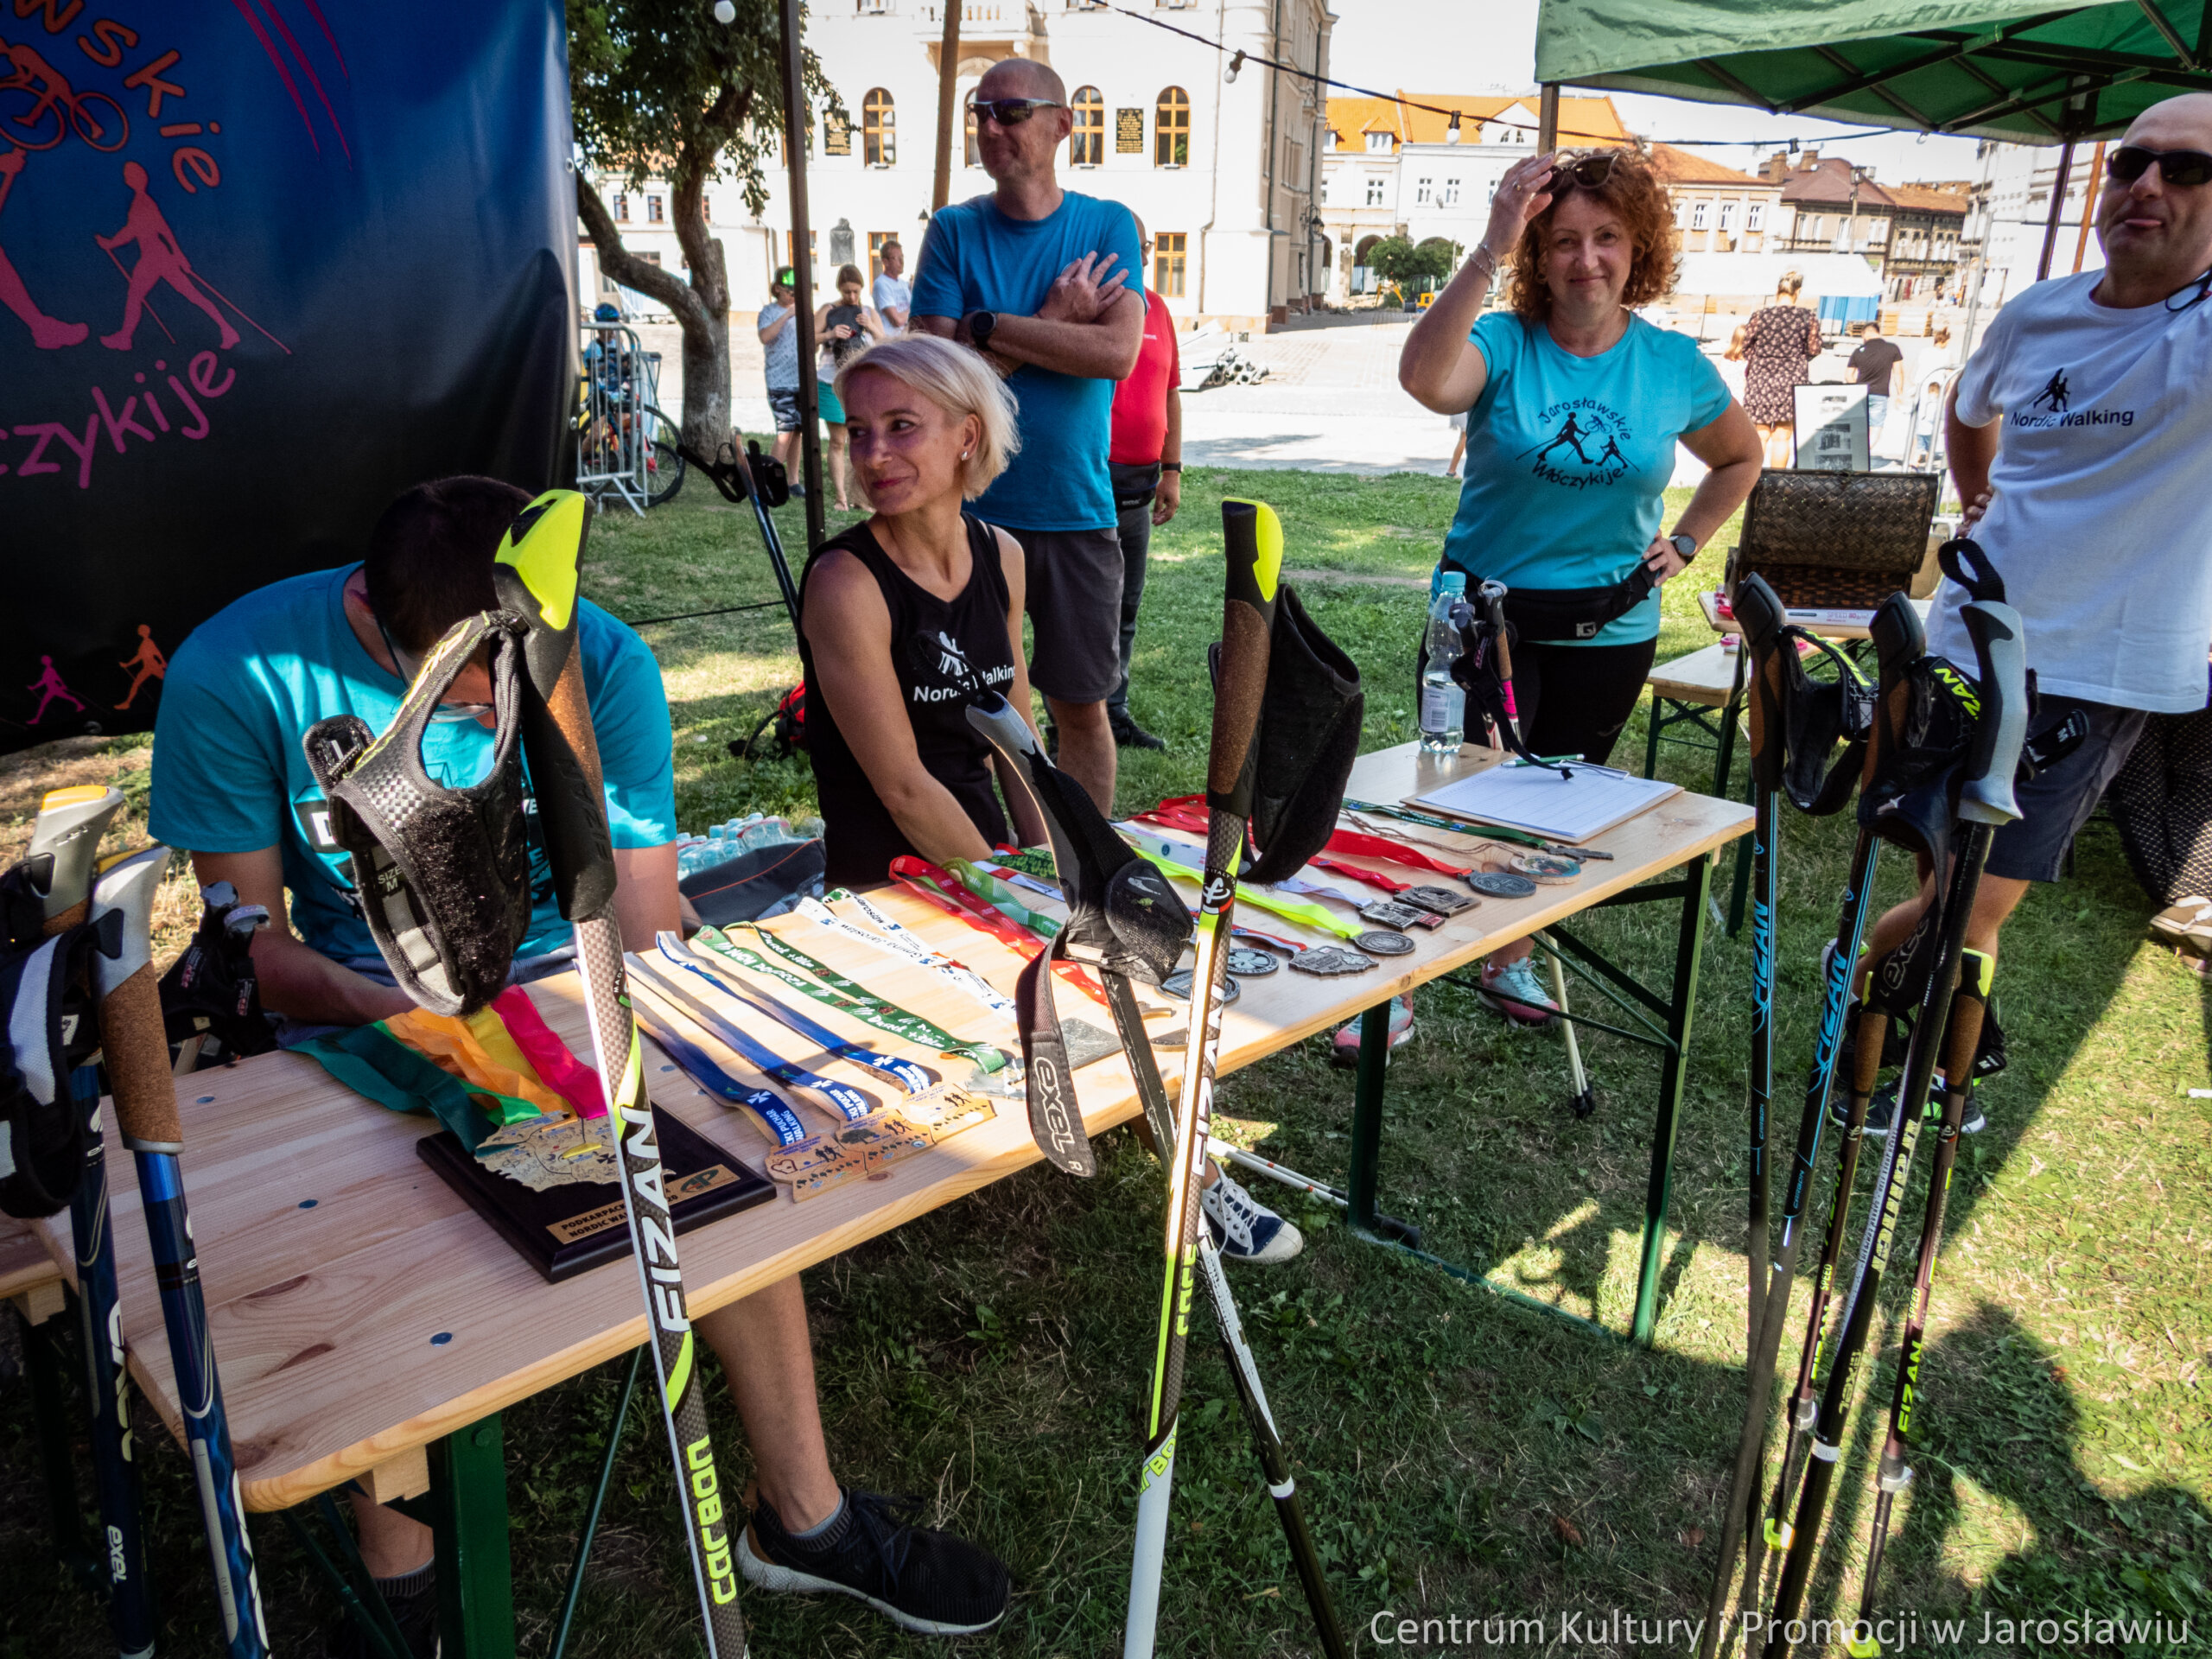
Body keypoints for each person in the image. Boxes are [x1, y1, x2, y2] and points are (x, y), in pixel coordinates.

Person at [148, 476, 1010, 1652]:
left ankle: (802, 1522)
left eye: (510, 678)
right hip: (355, 1006)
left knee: (717, 1163)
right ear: (377, 625)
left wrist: (701, 1039)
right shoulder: (238, 670)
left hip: (574, 974)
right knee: (385, 1232)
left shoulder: (595, 659)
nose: (489, 707)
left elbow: (649, 911)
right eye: (461, 690)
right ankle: (407, 1591)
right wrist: (424, 1017)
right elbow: (253, 951)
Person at [804, 334, 1301, 1264]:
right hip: (889, 872)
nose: (873, 456)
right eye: (860, 433)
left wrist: (1059, 860)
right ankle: (1194, 1174)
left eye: (901, 428)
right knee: (1091, 967)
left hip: (982, 846)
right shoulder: (844, 583)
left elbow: (1018, 740)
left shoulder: (1002, 553)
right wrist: (1022, 893)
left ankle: (1191, 1161)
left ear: (966, 435)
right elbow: (904, 784)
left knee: (1135, 944)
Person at [1848, 92, 2212, 1136]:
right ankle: (1932, 1025)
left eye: (2185, 170)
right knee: (1945, 871)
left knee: (1970, 899)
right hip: (1963, 640)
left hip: (2094, 669)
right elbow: (1972, 414)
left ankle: (1866, 1001)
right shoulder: (2038, 312)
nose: (2147, 185)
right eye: (2132, 164)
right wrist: (1981, 498)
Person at [1398, 146, 1763, 1025]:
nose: (1585, 259)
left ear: (1638, 249)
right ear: (1537, 253)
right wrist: (1490, 240)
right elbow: (1425, 381)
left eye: (1606, 237)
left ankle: (1507, 959)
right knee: (1453, 799)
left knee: (1556, 802)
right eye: (1562, 240)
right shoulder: (1502, 341)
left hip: (1608, 625)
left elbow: (1741, 456)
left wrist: (1686, 540)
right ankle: (1396, 974)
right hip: (1485, 621)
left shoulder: (1673, 365)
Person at [910, 56, 1144, 817]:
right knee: (987, 707)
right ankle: (1026, 868)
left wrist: (991, 328)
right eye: (981, 111)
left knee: (1082, 707)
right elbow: (932, 383)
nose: (991, 127)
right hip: (970, 515)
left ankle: (1091, 869)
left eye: (1011, 112)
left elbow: (1115, 354)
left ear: (1061, 125)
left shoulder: (1105, 225)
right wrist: (1052, 320)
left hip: (1075, 510)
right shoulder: (952, 231)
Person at [1103, 215, 1180, 753]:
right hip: (1089, 484)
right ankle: (1075, 720)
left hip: (1141, 485)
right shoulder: (1093, 309)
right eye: (1133, 246)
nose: (1143, 255)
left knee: (1126, 605)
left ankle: (1115, 711)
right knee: (1089, 607)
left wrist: (1171, 469)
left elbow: (1171, 392)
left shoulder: (1159, 309)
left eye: (1146, 246)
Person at [815, 264, 885, 511]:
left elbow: (885, 343)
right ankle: (841, 497)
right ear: (839, 289)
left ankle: (861, 497)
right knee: (837, 440)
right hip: (831, 381)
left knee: (863, 441)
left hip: (861, 384)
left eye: (856, 291)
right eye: (847, 292)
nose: (852, 297)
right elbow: (807, 338)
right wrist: (830, 333)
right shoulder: (829, 310)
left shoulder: (867, 311)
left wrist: (872, 326)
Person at [1737, 270, 1823, 467]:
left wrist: (1762, 361)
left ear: (1778, 290)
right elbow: (1815, 348)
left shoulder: (1760, 316)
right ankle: (1776, 484)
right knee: (1782, 437)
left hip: (1761, 381)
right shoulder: (1807, 317)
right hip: (1791, 380)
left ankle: (1754, 482)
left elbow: (1746, 347)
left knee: (1760, 435)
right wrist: (1796, 360)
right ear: (1798, 292)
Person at [756, 267, 807, 493]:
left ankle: (792, 480)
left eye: (796, 292)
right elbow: (765, 337)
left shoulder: (803, 311)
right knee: (785, 430)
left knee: (797, 430)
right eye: (788, 291)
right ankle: (766, 480)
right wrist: (787, 315)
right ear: (777, 289)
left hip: (800, 380)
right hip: (779, 381)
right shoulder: (768, 312)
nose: (793, 296)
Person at [1847, 317, 1904, 437]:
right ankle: (1868, 451)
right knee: (1876, 427)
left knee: (1859, 426)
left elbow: (1848, 375)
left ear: (1865, 334)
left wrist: (1857, 388)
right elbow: (1898, 373)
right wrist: (1900, 394)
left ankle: (1860, 451)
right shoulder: (1892, 348)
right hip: (1880, 394)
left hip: (1861, 394)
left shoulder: (1858, 351)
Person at [873, 236, 911, 330]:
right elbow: (897, 321)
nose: (901, 262)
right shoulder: (881, 284)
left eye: (902, 257)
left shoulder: (903, 284)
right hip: (891, 340)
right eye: (896, 258)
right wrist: (914, 309)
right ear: (885, 262)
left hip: (906, 338)